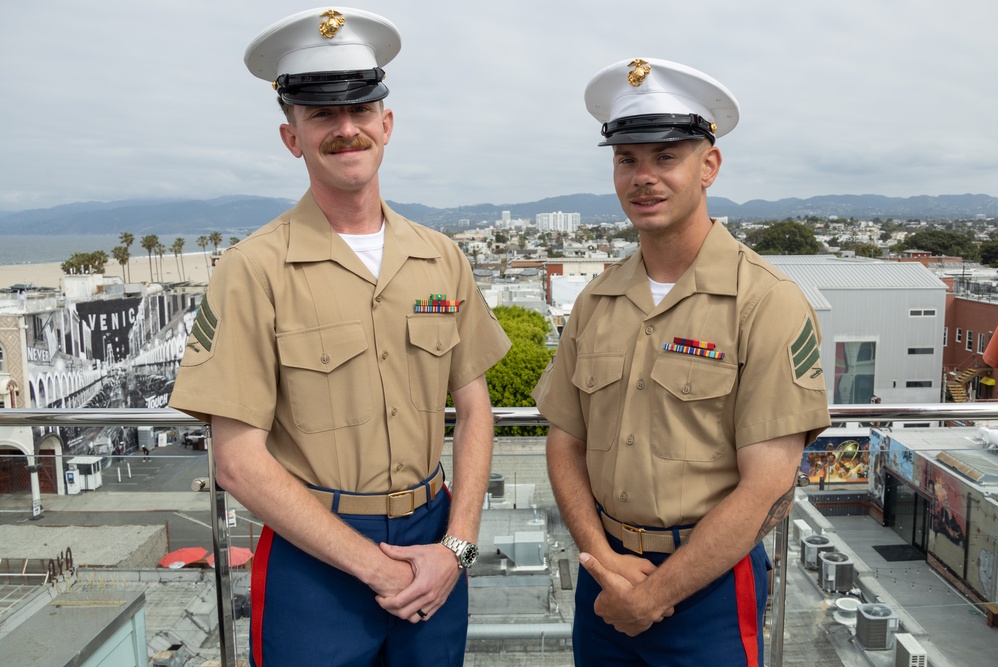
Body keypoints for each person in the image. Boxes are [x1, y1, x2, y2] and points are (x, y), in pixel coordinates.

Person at [168, 8, 510, 667]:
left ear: (387, 122)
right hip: (313, 562)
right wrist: (377, 569)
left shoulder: (442, 259)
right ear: (291, 135)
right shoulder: (252, 270)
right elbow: (237, 460)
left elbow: (475, 409)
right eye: (322, 113)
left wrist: (456, 548)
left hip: (433, 545)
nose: (346, 128)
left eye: (361, 107)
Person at [532, 58, 830, 666]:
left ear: (709, 165)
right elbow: (565, 441)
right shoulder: (597, 299)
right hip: (605, 574)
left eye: (666, 156)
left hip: (709, 591)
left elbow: (769, 484)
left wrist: (655, 596)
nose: (643, 177)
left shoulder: (766, 301)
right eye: (627, 159)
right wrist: (600, 557)